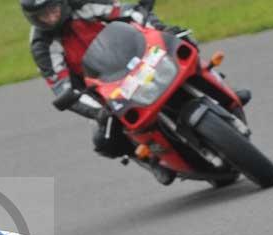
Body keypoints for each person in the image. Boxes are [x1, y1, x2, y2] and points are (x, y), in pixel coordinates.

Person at [20, 0, 251, 185]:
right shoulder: (42, 45)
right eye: (43, 16)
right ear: (33, 19)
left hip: (138, 57)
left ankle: (220, 91)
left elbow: (130, 13)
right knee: (105, 139)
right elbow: (62, 87)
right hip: (102, 88)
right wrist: (98, 112)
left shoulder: (84, 4)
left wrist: (161, 30)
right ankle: (151, 159)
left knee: (182, 42)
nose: (51, 17)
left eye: (53, 9)